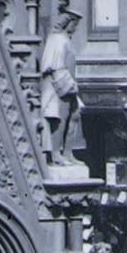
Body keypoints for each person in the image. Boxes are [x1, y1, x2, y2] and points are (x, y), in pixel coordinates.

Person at [37, 10, 82, 164]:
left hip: (69, 85)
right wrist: (66, 85)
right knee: (60, 118)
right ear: (67, 22)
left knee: (75, 115)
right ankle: (56, 152)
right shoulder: (57, 39)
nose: (75, 27)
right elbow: (55, 66)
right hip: (59, 86)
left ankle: (68, 152)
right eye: (74, 23)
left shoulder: (65, 39)